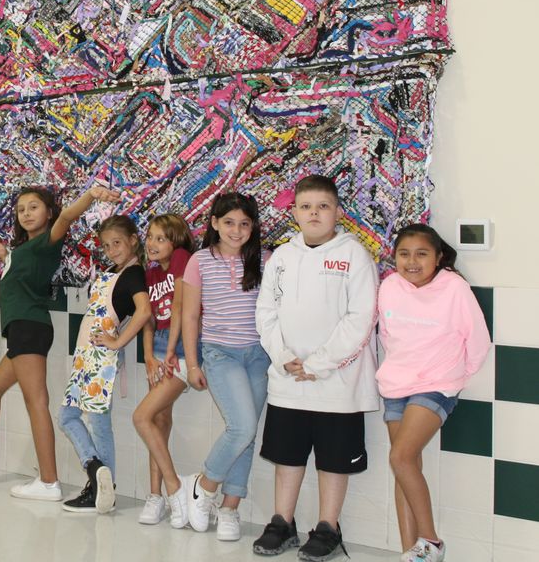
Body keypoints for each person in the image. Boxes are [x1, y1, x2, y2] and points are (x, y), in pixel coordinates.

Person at [0, 184, 119, 502]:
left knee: (35, 401)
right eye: (21, 209)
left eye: (34, 207)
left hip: (29, 327)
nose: (26, 213)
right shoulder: (24, 251)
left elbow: (66, 216)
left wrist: (91, 194)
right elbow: (10, 286)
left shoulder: (46, 241)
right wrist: (2, 257)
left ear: (48, 213)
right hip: (24, 328)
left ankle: (49, 482)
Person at [254, 175, 379, 559]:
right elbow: (265, 312)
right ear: (294, 213)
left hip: (337, 383)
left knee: (333, 459)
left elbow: (360, 319)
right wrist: (283, 357)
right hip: (288, 379)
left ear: (337, 212)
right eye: (306, 206)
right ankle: (282, 522)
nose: (314, 213)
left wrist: (319, 364)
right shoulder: (282, 257)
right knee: (287, 455)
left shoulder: (355, 254)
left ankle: (328, 528)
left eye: (323, 206)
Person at [376, 224, 490, 562]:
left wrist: (456, 376)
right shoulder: (390, 286)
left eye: (422, 254)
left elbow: (479, 340)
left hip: (436, 384)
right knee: (405, 467)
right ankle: (412, 552)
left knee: (399, 457)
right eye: (404, 254)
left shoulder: (454, 287)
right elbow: (388, 336)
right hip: (396, 384)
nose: (412, 261)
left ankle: (431, 542)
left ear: (438, 258)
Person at [180, 192, 268, 542]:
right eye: (229, 222)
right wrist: (191, 363)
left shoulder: (265, 259)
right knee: (241, 427)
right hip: (220, 354)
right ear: (214, 223)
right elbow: (188, 315)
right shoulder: (199, 261)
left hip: (259, 355)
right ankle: (204, 484)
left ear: (253, 227)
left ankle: (230, 507)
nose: (236, 230)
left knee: (247, 435)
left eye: (244, 224)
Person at [59, 215, 151, 514]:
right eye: (107, 246)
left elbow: (144, 311)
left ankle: (100, 485)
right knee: (69, 417)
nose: (112, 250)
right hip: (87, 355)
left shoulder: (134, 273)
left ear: (133, 241)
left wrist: (117, 341)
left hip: (102, 357)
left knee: (96, 425)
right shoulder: (114, 271)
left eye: (117, 243)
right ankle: (98, 473)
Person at [133, 213, 197, 526]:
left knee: (142, 417)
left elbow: (181, 310)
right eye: (150, 237)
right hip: (159, 345)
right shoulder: (151, 273)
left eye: (161, 238)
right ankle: (155, 496)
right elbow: (148, 319)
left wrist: (171, 352)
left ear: (176, 241)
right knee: (157, 420)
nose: (153, 244)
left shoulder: (184, 259)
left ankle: (173, 487)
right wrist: (148, 356)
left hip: (182, 344)